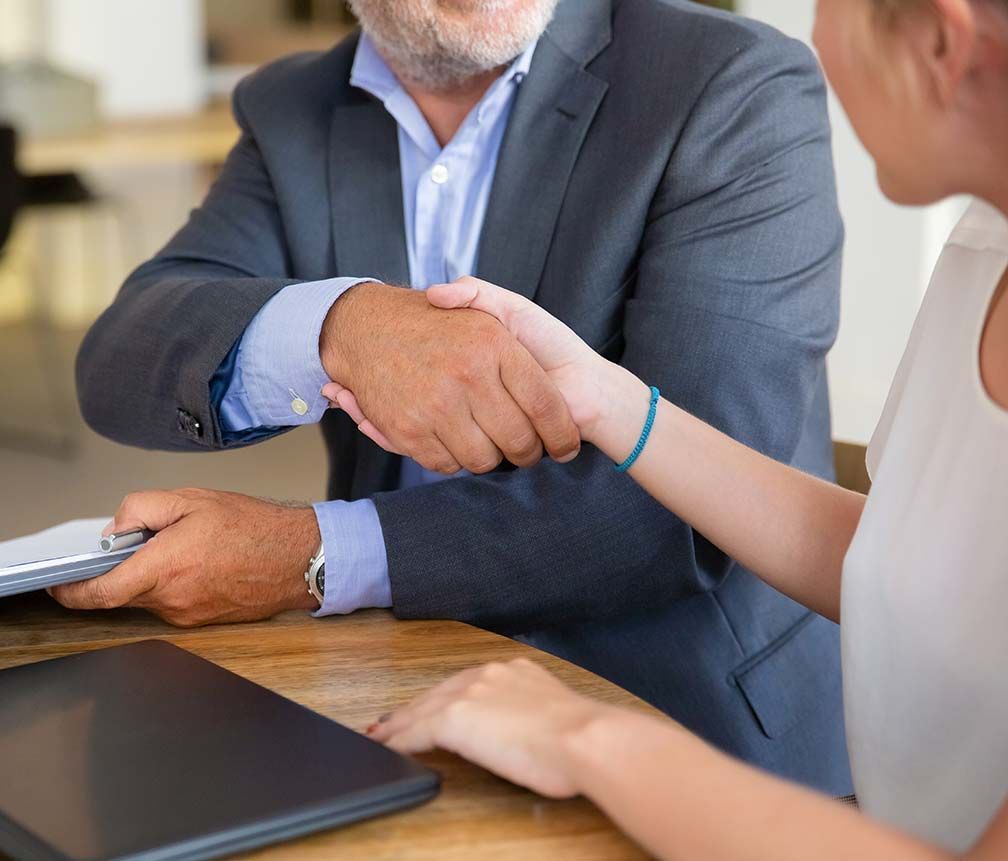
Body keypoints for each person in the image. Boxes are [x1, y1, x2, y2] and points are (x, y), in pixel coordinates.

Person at [68, 0, 853, 793]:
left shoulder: (731, 86)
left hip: (689, 728)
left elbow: (679, 512)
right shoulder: (293, 107)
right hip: (393, 697)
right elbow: (120, 356)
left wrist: (310, 553)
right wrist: (340, 325)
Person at [348, 0, 1008, 855]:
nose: (814, 37)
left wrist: (585, 736)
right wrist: (609, 402)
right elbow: (917, 563)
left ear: (943, 42)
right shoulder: (982, 252)